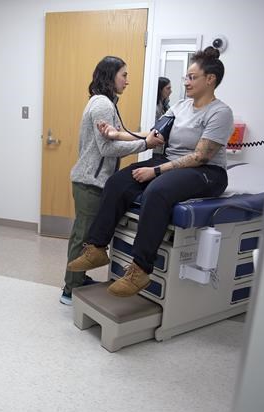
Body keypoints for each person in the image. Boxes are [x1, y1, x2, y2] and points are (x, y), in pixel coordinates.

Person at [67, 47, 233, 298]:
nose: (186, 82)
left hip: (207, 172)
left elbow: (200, 156)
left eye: (192, 77)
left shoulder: (220, 112)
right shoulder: (180, 106)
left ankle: (140, 269)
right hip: (172, 163)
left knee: (157, 191)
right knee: (118, 182)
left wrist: (155, 170)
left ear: (210, 79)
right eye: (186, 77)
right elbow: (154, 135)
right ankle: (97, 247)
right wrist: (115, 134)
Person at [60, 56, 164, 306]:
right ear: (110, 75)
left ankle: (77, 279)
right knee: (83, 237)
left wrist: (148, 135)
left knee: (84, 235)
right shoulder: (103, 105)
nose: (127, 81)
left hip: (92, 180)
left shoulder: (105, 102)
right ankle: (70, 290)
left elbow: (120, 134)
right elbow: (107, 148)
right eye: (124, 75)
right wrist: (145, 144)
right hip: (90, 181)